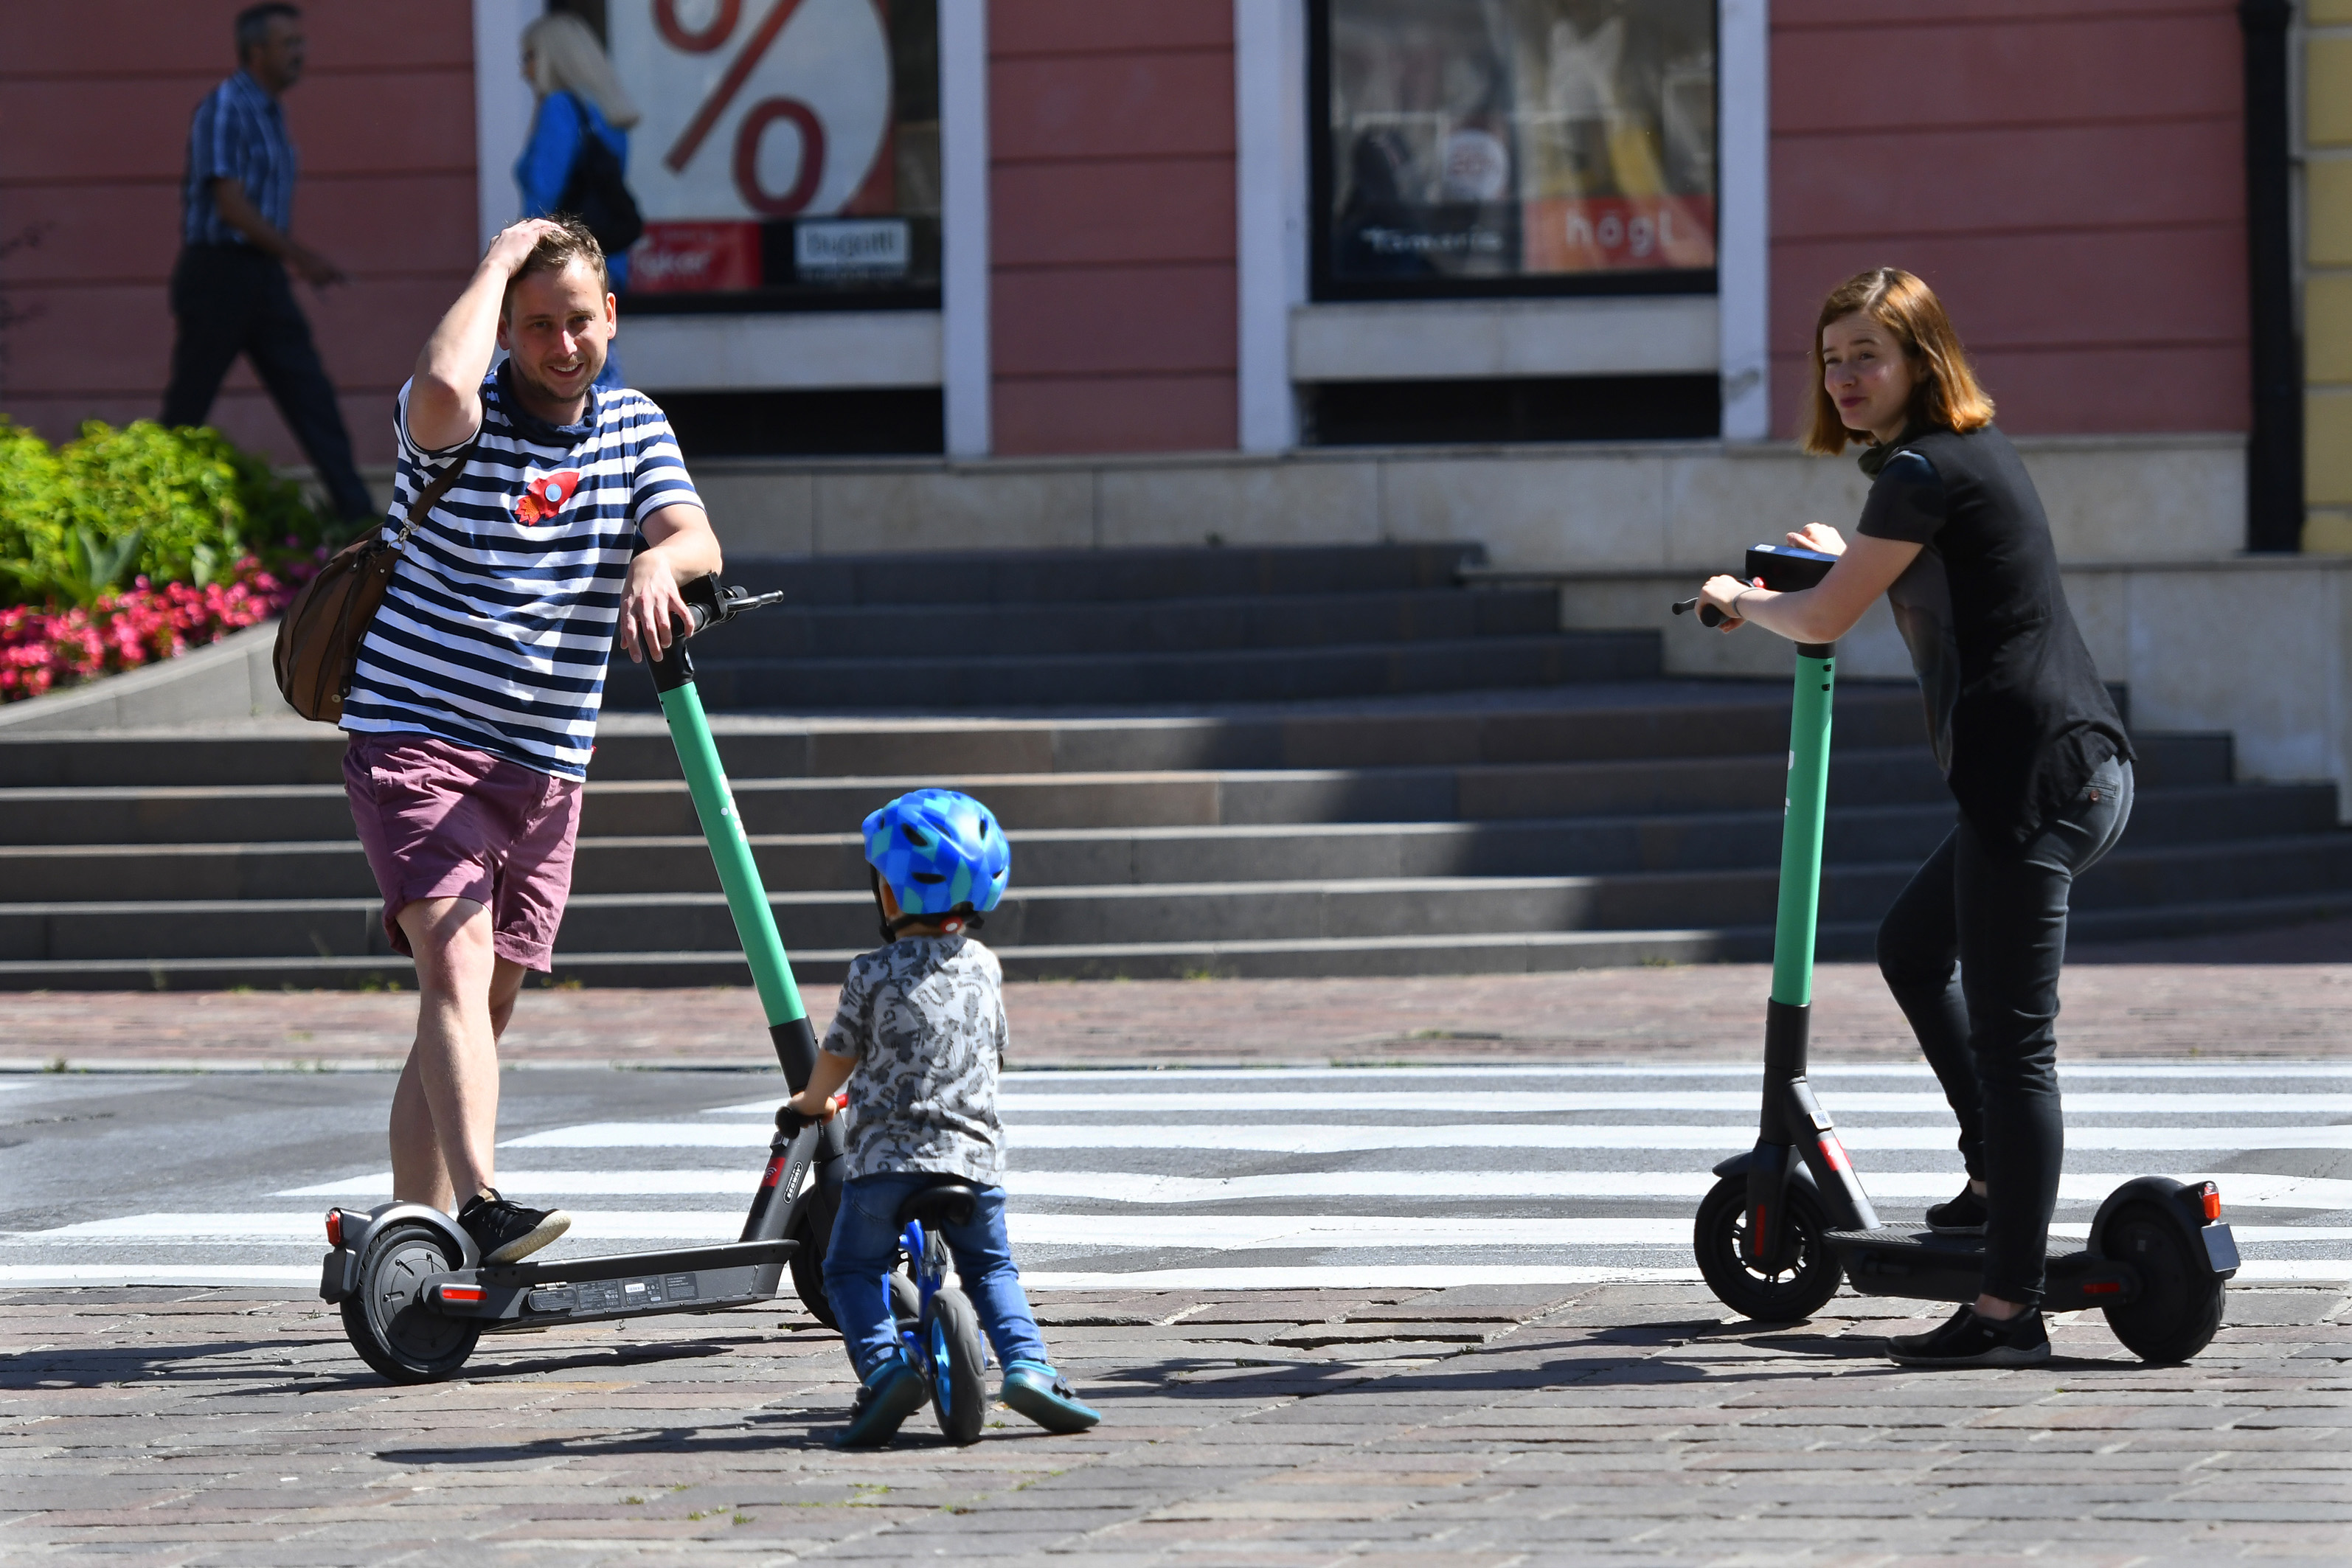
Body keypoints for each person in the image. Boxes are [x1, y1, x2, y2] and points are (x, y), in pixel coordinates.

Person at [1696, 266, 2134, 1370]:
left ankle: (2006, 1308)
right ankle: (1990, 1169)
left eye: (1866, 357)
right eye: (1831, 357)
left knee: (2015, 1048)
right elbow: (1928, 571)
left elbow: (1824, 620)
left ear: (1921, 362)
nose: (1843, 376)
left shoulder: (1922, 470)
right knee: (1910, 944)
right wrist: (1841, 555)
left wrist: (1745, 602)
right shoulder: (1948, 463)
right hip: (2080, 766)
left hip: (2027, 783)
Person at [339, 214, 720, 1265]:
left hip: (546, 765)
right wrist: (500, 259)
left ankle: (406, 1241)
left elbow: (695, 535)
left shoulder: (634, 427)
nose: (561, 346)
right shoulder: (461, 420)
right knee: (456, 973)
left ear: (612, 317)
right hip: (419, 738)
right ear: (504, 329)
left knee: (477, 1005)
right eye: (535, 325)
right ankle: (483, 1205)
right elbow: (443, 387)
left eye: (578, 322)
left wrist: (657, 565)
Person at [783, 789, 1103, 1446]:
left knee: (850, 1270)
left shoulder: (869, 972)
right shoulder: (984, 968)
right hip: (974, 1162)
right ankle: (1031, 1369)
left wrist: (811, 1105)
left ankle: (883, 1367)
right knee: (991, 1271)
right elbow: (996, 1054)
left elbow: (839, 1052)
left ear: (891, 897)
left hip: (885, 1168)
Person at [162, 2, 375, 524]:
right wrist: (300, 257)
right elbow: (229, 204)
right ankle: (150, 513)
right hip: (218, 273)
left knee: (310, 395)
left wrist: (288, 261)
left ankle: (357, 517)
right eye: (289, 45)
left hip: (260, 275)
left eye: (300, 43)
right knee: (188, 406)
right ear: (257, 52)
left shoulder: (271, 111)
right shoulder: (226, 107)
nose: (301, 54)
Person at [516, 12, 639, 389]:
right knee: (596, 353)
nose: (526, 70)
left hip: (561, 263)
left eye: (530, 56)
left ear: (552, 56)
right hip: (607, 259)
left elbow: (542, 193)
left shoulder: (558, 108)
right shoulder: (606, 111)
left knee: (564, 365)